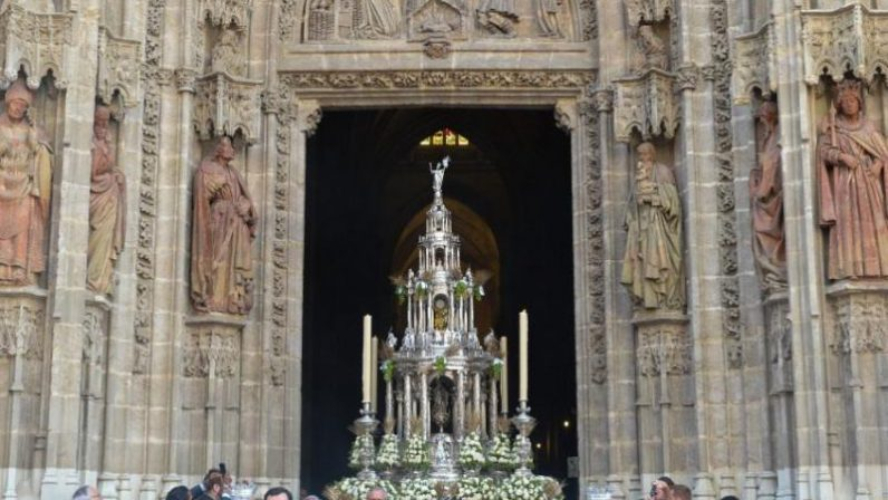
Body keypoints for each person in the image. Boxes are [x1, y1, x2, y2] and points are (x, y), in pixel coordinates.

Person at [818, 78, 888, 279]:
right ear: (839, 105)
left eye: (853, 100)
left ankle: (878, 269)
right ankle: (849, 270)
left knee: (873, 223)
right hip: (845, 183)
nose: (849, 104)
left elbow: (883, 153)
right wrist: (841, 156)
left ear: (859, 103)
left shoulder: (868, 127)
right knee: (847, 225)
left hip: (869, 182)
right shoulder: (834, 128)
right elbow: (823, 151)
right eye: (845, 101)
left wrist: (878, 164)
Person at [191, 136, 257, 315]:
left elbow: (246, 199)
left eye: (232, 146)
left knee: (234, 263)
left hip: (237, 224)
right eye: (228, 146)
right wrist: (216, 187)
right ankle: (215, 298)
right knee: (219, 259)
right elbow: (202, 195)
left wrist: (246, 206)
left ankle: (232, 299)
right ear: (218, 148)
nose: (232, 150)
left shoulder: (234, 173)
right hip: (220, 221)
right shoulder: (207, 168)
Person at [0, 79, 53, 286]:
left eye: (23, 106)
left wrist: (35, 141)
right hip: (2, 183)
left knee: (23, 223)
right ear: (8, 103)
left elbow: (42, 151)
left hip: (23, 184)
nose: (18, 109)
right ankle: (2, 265)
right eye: (15, 104)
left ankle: (20, 267)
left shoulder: (31, 129)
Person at [621, 142, 685, 310]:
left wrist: (654, 198)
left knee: (660, 261)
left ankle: (664, 300)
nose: (642, 158)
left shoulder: (663, 172)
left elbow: (673, 203)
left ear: (652, 154)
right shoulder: (638, 178)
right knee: (642, 263)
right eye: (639, 155)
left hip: (659, 227)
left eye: (644, 154)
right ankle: (647, 300)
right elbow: (630, 206)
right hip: (641, 229)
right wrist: (636, 205)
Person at [87, 104, 126, 294]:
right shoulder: (93, 145)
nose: (103, 128)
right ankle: (93, 280)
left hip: (109, 197)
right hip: (98, 196)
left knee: (105, 238)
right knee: (98, 237)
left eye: (105, 124)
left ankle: (99, 280)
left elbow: (108, 168)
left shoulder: (106, 145)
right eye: (99, 124)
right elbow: (92, 172)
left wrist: (117, 176)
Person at [750, 100, 786, 290]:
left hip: (775, 194)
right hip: (770, 193)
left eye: (764, 117)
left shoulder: (778, 135)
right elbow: (767, 165)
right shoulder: (769, 137)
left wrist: (762, 190)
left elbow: (773, 164)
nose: (762, 121)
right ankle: (774, 273)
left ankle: (778, 271)